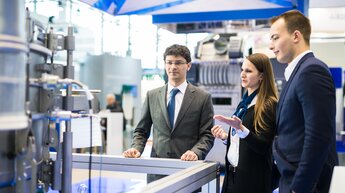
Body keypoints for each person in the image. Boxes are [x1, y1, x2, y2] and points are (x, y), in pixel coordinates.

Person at [123, 44, 215, 183]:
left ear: (188, 66)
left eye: (178, 63)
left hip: (188, 168)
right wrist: (136, 148)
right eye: (169, 62)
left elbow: (207, 135)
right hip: (157, 171)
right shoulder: (152, 96)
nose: (173, 67)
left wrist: (195, 152)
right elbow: (142, 131)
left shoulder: (202, 98)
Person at [269, 10, 338, 193]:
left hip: (305, 185)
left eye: (275, 38)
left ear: (296, 36)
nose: (271, 45)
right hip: (291, 179)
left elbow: (318, 137)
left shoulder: (311, 71)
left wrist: (299, 188)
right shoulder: (297, 73)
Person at [211, 53, 278, 193]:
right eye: (242, 70)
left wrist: (240, 129)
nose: (242, 74)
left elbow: (263, 146)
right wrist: (226, 137)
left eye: (248, 71)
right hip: (232, 177)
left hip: (252, 181)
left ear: (262, 76)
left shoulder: (267, 105)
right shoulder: (244, 104)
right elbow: (242, 142)